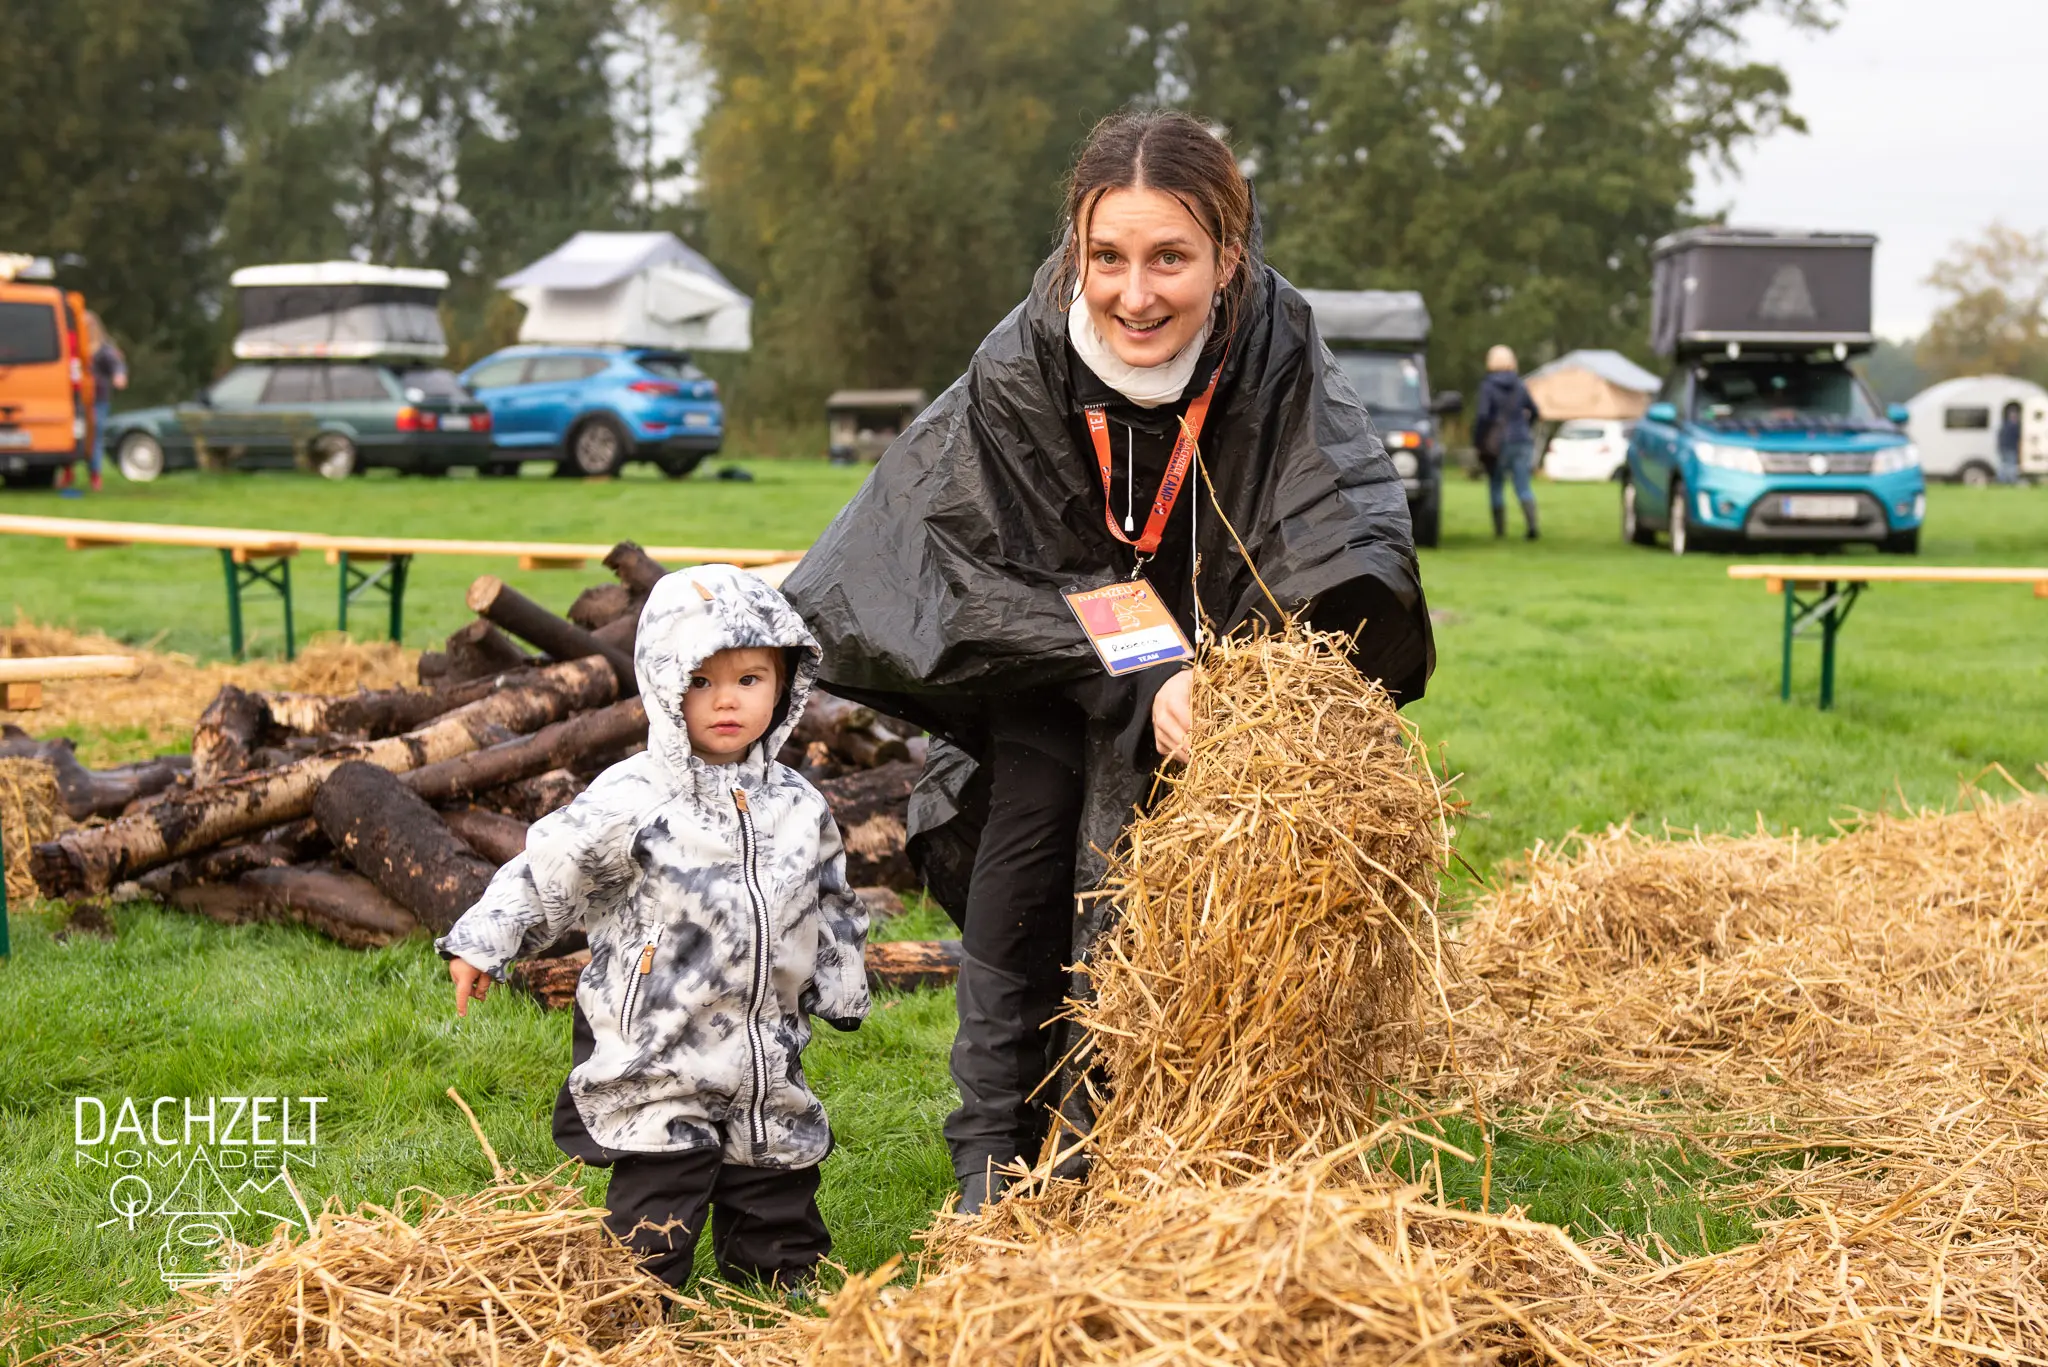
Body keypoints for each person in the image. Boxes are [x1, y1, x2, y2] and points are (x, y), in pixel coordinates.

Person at [782, 110, 1433, 1214]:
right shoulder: (1023, 359)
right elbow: (962, 556)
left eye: (1169, 257)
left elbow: (1336, 514)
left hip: (1215, 658)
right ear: (1076, 251)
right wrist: (1138, 663)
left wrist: (1253, 676)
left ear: (1227, 256)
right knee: (1029, 848)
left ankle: (1125, 1137)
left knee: (1166, 881)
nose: (1134, 294)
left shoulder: (1275, 339)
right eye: (1108, 257)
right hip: (1050, 649)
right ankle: (994, 1153)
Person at [437, 566, 871, 1289]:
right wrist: (487, 938)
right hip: (661, 1048)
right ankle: (639, 1299)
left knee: (775, 1177)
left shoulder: (800, 803)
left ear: (786, 684)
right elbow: (550, 865)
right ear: (665, 683)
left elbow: (830, 894)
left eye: (751, 678)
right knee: (656, 1206)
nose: (727, 698)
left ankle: (778, 1282)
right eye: (702, 680)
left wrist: (842, 981)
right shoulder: (634, 796)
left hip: (766, 1048)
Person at [1474, 344, 1540, 539]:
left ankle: (1500, 531)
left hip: (1498, 442)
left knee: (1496, 484)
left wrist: (1479, 440)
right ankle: (1532, 527)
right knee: (1523, 485)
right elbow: (1535, 412)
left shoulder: (1488, 386)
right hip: (1521, 440)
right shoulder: (1520, 385)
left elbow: (1483, 416)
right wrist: (1525, 426)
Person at [86, 317, 127, 493]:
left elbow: (117, 365)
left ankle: (95, 474)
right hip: (78, 399)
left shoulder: (104, 350)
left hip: (98, 399)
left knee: (95, 435)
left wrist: (119, 376)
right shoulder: (75, 347)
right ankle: (67, 473)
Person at [1997, 400, 2022, 486]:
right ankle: (2012, 480)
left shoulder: (2004, 424)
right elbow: (2018, 437)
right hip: (2011, 448)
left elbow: (2000, 436)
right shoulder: (2014, 426)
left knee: (2004, 465)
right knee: (2011, 465)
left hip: (2003, 447)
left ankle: (2002, 480)